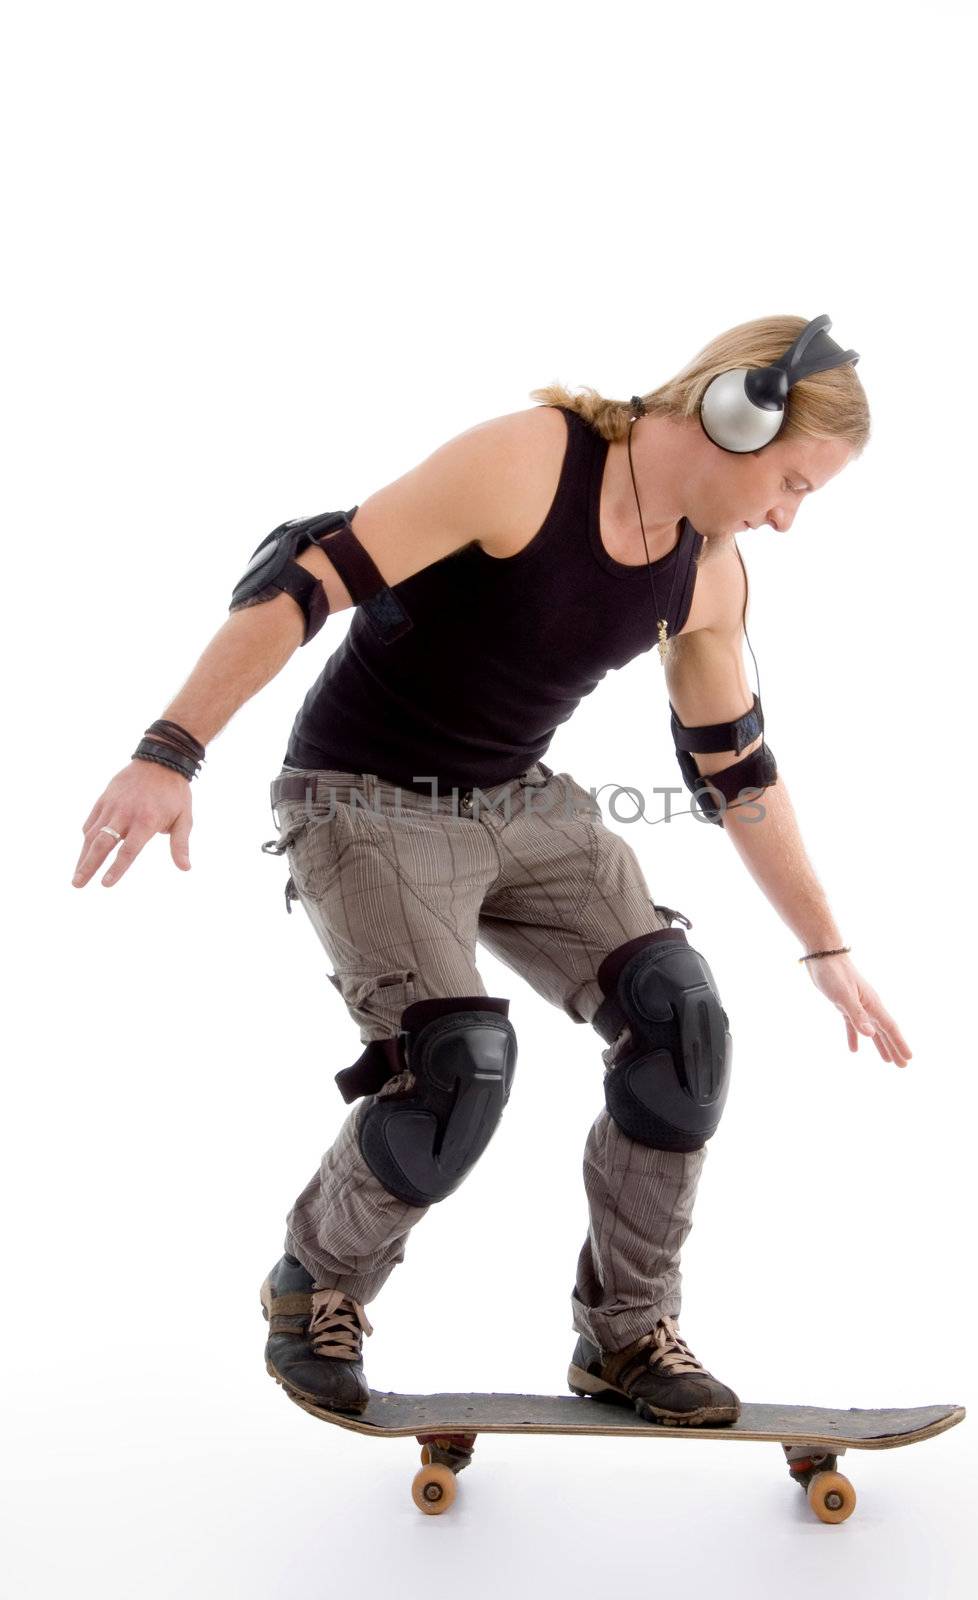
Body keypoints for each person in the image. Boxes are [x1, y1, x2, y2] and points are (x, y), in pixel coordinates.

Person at [71, 313, 912, 1430]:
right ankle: (315, 1286)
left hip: (514, 798)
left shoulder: (708, 573)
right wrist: (167, 751)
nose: (786, 518)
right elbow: (302, 580)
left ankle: (624, 1333)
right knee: (457, 1063)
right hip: (359, 793)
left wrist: (825, 946)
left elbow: (738, 776)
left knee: (681, 1023)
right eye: (792, 483)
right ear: (731, 413)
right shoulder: (529, 461)